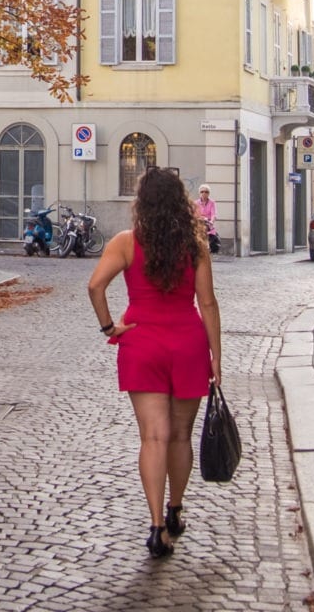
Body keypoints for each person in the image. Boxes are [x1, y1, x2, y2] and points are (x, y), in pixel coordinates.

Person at [87, 167, 221, 559]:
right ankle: (175, 509)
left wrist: (111, 327)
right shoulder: (195, 245)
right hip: (188, 343)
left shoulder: (126, 242)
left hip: (141, 343)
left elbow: (95, 286)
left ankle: (156, 527)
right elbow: (208, 303)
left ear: (141, 202)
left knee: (153, 437)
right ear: (181, 202)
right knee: (180, 436)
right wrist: (216, 356)